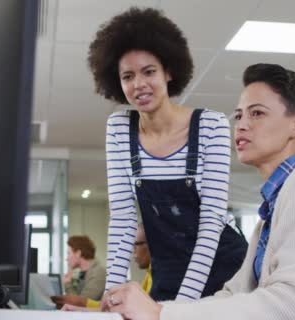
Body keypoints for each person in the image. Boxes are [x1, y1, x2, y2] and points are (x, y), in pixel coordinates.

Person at [100, 63, 295, 320]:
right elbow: (233, 296)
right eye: (238, 115)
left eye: (257, 113)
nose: (241, 125)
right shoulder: (268, 218)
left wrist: (160, 313)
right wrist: (156, 310)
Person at [87, 7, 248, 302]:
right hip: (168, 268)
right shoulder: (119, 129)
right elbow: (122, 220)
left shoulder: (211, 126)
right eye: (128, 76)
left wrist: (181, 307)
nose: (139, 84)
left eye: (149, 71)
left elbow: (211, 221)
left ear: (169, 71)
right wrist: (111, 296)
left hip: (223, 265)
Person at [56, 236, 106, 305]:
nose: (67, 258)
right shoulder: (83, 273)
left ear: (78, 253)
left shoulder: (98, 272)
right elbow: (78, 296)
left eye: (68, 253)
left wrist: (67, 284)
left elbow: (80, 303)